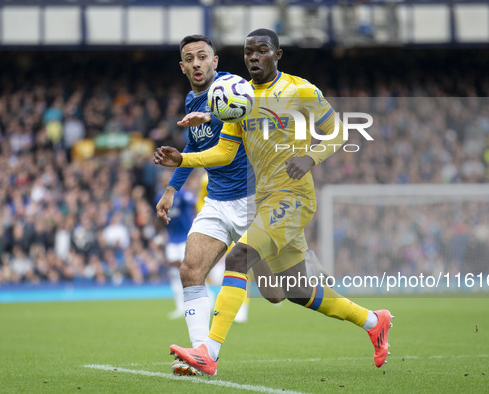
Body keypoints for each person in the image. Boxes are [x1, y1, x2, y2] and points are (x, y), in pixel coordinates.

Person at [154, 28, 393, 376]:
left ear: (277, 55)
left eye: (261, 51)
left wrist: (310, 157)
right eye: (249, 52)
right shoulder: (243, 97)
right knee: (293, 291)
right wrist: (183, 161)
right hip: (261, 200)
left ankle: (209, 351)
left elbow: (339, 130)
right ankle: (374, 321)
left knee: (239, 257)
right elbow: (223, 150)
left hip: (292, 197)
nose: (253, 57)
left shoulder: (300, 89)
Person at [155, 34, 284, 376]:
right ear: (182, 66)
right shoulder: (191, 100)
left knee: (278, 292)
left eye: (202, 56)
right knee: (190, 270)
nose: (197, 63)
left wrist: (212, 119)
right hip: (217, 200)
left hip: (253, 200)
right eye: (190, 58)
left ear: (215, 62)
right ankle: (200, 355)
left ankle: (369, 317)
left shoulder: (233, 86)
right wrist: (171, 189)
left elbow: (251, 114)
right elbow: (194, 145)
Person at [156, 169, 197, 319]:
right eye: (163, 179)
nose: (165, 182)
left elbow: (195, 209)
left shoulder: (184, 195)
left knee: (190, 271)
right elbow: (158, 217)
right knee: (175, 273)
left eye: (168, 178)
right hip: (172, 240)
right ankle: (180, 307)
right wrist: (160, 234)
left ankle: (206, 298)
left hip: (186, 237)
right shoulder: (159, 197)